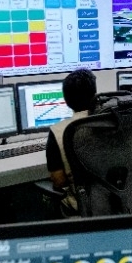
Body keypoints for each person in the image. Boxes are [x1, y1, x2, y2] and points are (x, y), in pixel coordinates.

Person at [46, 68, 98, 215]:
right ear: (94, 94)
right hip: (121, 200)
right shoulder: (115, 121)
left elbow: (59, 181)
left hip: (83, 207)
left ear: (66, 100)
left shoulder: (57, 132)